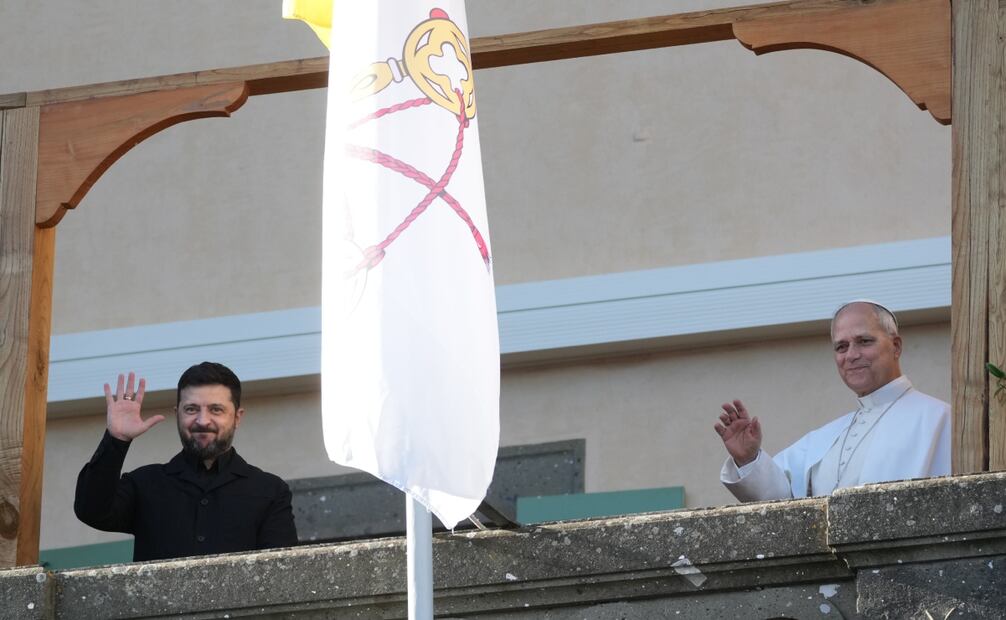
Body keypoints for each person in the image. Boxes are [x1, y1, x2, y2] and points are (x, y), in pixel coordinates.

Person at [714, 300, 950, 502]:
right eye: (841, 347)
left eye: (864, 341)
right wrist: (748, 459)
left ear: (895, 346)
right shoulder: (826, 437)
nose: (852, 355)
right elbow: (783, 506)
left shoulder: (940, 419)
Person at [74, 362, 298, 561]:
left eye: (216, 410)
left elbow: (281, 573)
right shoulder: (145, 484)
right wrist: (117, 439)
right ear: (177, 414)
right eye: (191, 409)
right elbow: (91, 511)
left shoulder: (270, 491)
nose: (202, 420)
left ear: (237, 417)